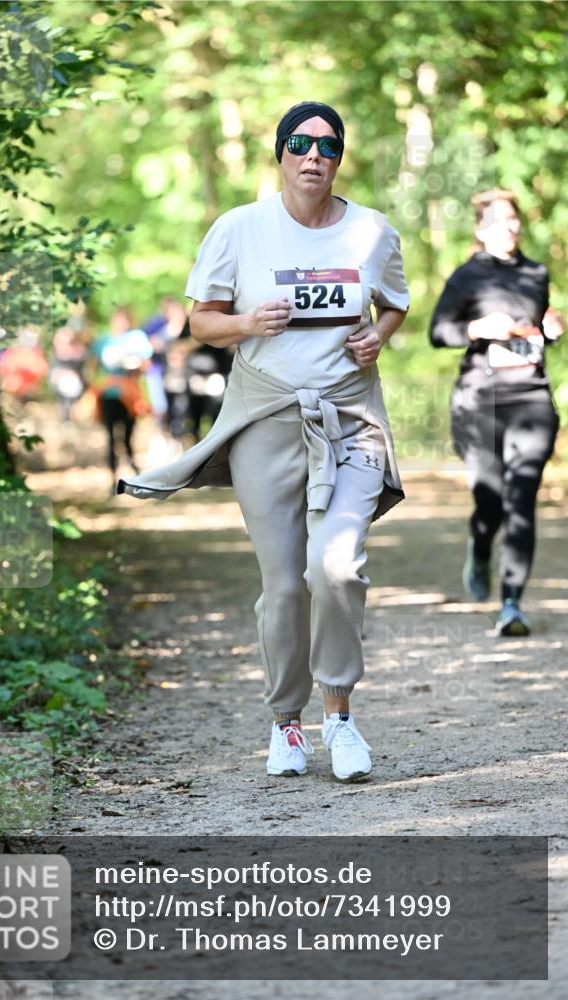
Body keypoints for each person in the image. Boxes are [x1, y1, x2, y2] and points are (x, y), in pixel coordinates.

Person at [118, 102, 410, 781]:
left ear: (339, 159)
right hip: (266, 423)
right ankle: (286, 723)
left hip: (348, 421)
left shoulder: (372, 231)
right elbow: (201, 322)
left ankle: (339, 718)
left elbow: (395, 302)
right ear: (279, 153)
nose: (313, 156)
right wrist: (248, 322)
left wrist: (378, 335)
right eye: (300, 144)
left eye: (327, 147)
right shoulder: (239, 228)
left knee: (335, 568)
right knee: (283, 586)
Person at [429, 188, 562, 636]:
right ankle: (481, 545)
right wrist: (476, 328)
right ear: (481, 229)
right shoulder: (467, 276)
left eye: (513, 218)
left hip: (531, 397)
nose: (509, 226)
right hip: (479, 401)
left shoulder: (536, 272)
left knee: (521, 499)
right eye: (498, 219)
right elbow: (439, 332)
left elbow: (538, 328)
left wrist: (551, 328)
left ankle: (511, 605)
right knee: (490, 501)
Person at [90, 306, 154, 490]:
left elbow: (146, 364)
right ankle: (113, 478)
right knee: (110, 436)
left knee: (128, 435)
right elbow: (93, 366)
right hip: (108, 394)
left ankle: (135, 472)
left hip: (129, 394)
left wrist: (133, 364)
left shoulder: (136, 339)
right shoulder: (103, 341)